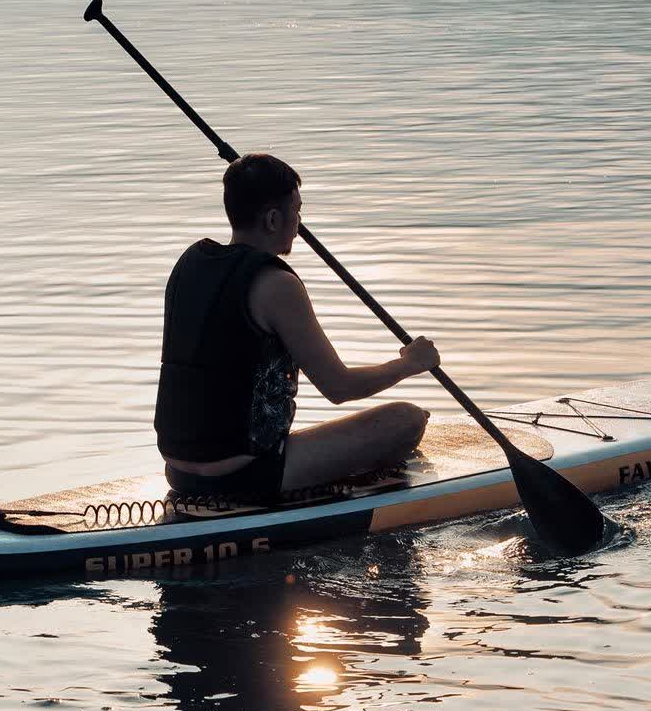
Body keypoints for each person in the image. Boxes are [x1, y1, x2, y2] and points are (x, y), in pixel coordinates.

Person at [155, 153, 439, 500]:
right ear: (274, 219)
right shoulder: (276, 285)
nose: (300, 223)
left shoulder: (189, 264)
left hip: (178, 469)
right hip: (247, 472)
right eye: (298, 211)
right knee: (406, 420)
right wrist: (410, 363)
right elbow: (339, 387)